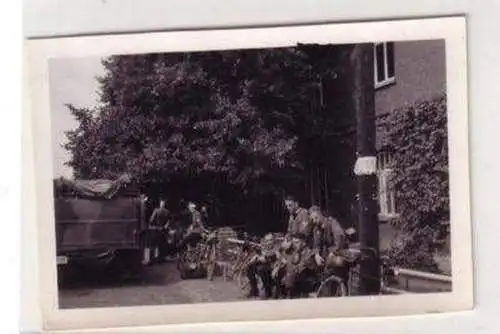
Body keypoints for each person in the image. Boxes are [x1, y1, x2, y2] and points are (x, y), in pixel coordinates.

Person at [245, 233, 277, 299]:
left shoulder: (276, 247)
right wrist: (253, 260)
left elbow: (270, 256)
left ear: (274, 240)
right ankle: (254, 289)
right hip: (265, 265)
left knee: (261, 269)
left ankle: (268, 289)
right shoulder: (265, 247)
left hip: (273, 267)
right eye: (267, 240)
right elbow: (260, 255)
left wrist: (262, 257)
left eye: (270, 240)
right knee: (249, 268)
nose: (269, 242)